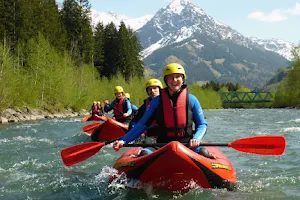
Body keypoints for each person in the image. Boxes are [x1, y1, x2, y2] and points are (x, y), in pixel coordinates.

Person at [113, 63, 214, 158]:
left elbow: (202, 124)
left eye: (178, 76)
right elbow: (142, 125)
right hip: (162, 144)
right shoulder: (156, 102)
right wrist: (123, 140)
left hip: (187, 143)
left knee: (203, 152)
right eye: (170, 77)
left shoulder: (192, 99)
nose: (174, 80)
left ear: (183, 79)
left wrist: (197, 137)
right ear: (166, 81)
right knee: (144, 153)